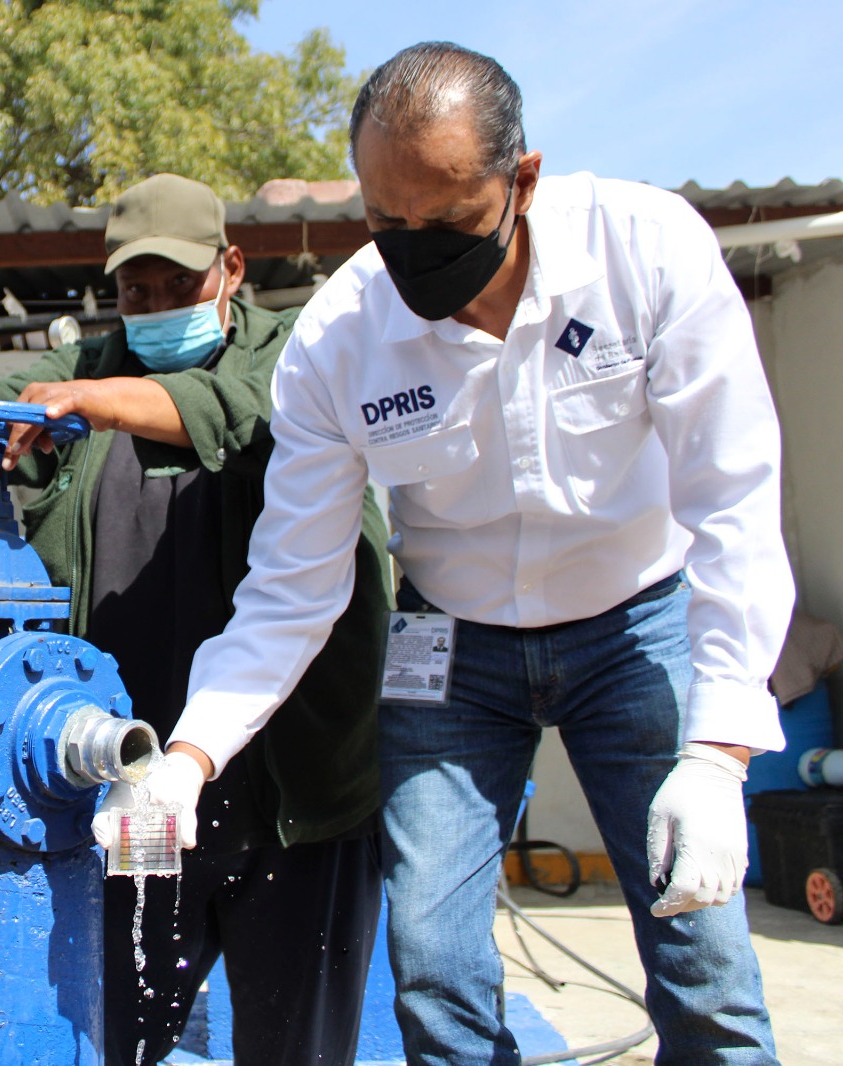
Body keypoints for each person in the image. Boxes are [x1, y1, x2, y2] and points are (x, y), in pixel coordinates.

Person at [142, 42, 792, 1066]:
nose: (411, 253)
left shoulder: (644, 252)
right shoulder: (338, 341)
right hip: (449, 649)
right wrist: (189, 756)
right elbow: (292, 589)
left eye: (443, 223)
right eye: (383, 223)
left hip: (638, 621)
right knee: (432, 964)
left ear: (520, 178)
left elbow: (733, 506)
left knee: (699, 947)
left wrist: (717, 756)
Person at [0, 173, 390, 1066]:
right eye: (136, 290)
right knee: (121, 1030)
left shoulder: (294, 350)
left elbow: (231, 411)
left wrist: (86, 405)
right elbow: (15, 382)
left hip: (293, 795)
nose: (157, 305)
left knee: (295, 1046)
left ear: (232, 267)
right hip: (138, 785)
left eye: (180, 285)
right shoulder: (93, 366)